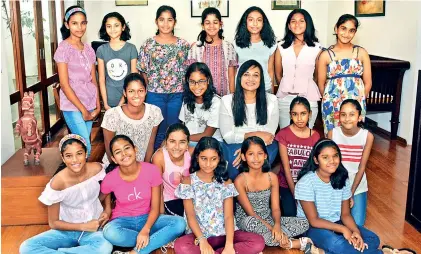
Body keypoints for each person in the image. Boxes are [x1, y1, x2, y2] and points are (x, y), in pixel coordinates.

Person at [19, 134, 113, 254]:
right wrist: (84, 226)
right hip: (67, 231)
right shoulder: (57, 183)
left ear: (86, 154)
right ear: (63, 158)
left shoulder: (97, 169)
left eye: (79, 153)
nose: (75, 160)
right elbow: (53, 223)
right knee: (27, 247)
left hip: (94, 229)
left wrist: (107, 210)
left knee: (105, 247)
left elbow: (108, 187)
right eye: (69, 156)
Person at [174, 137, 265, 254]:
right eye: (204, 158)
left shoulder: (226, 183)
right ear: (197, 157)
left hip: (224, 235)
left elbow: (228, 216)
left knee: (258, 242)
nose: (208, 164)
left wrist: (229, 245)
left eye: (213, 159)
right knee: (181, 246)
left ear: (219, 159)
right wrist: (202, 240)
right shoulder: (188, 181)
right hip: (198, 236)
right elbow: (190, 216)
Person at [295, 139, 386, 254]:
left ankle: (322, 252)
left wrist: (355, 231)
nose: (332, 161)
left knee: (373, 239)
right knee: (339, 245)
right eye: (325, 157)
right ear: (316, 160)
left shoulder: (343, 178)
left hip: (337, 222)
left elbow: (345, 214)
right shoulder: (306, 182)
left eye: (335, 156)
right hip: (313, 228)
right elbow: (314, 220)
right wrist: (344, 230)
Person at [101, 135, 186, 254]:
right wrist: (108, 209)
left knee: (180, 224)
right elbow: (104, 194)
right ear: (114, 159)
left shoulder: (152, 170)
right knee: (109, 232)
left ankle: (136, 252)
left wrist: (146, 229)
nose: (124, 154)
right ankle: (155, 240)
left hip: (149, 218)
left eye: (127, 148)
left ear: (135, 149)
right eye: (118, 152)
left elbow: (155, 208)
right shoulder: (110, 178)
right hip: (123, 222)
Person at [235, 137, 318, 253]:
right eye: (251, 154)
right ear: (243, 157)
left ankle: (283, 240)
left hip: (268, 219)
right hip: (248, 221)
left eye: (260, 153)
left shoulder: (271, 177)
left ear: (265, 156)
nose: (256, 158)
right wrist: (273, 229)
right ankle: (295, 243)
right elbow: (251, 213)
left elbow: (275, 208)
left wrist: (277, 226)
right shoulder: (240, 180)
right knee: (251, 222)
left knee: (304, 222)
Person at [137, 5, 190, 150]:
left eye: (169, 20)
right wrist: (149, 90)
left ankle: (173, 162)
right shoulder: (148, 44)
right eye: (162, 20)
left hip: (177, 94)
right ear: (156, 22)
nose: (165, 24)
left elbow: (188, 71)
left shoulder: (183, 45)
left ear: (175, 22)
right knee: (157, 131)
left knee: (174, 130)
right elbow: (143, 70)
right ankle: (156, 161)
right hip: (154, 94)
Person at [219, 60, 279, 180]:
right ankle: (236, 197)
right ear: (239, 77)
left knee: (257, 160)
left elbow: (268, 135)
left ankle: (259, 195)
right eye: (246, 74)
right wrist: (254, 135)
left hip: (263, 145)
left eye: (255, 75)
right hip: (234, 145)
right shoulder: (227, 101)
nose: (250, 79)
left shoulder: (271, 100)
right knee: (234, 162)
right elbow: (228, 136)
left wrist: (248, 151)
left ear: (261, 79)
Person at [55, 5, 100, 156]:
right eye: (74, 23)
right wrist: (83, 110)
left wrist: (97, 105)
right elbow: (64, 84)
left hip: (89, 101)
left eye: (83, 23)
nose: (79, 27)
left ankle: (81, 176)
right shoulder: (63, 49)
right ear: (67, 25)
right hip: (72, 104)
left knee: (85, 143)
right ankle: (79, 177)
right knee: (84, 145)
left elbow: (94, 79)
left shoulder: (88, 49)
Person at [318, 14, 372, 134]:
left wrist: (359, 100)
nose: (346, 34)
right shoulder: (326, 55)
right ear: (336, 28)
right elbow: (321, 84)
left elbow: (368, 83)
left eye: (351, 30)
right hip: (332, 103)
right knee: (333, 137)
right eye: (343, 28)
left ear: (355, 32)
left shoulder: (361, 53)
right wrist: (330, 100)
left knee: (354, 136)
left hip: (356, 102)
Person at [328, 99, 374, 226]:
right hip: (336, 183)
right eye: (343, 114)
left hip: (356, 185)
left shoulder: (367, 136)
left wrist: (350, 194)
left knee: (357, 225)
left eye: (352, 114)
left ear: (360, 117)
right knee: (333, 222)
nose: (347, 118)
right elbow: (327, 167)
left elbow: (362, 168)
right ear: (339, 117)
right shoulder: (333, 134)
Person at [102, 73, 162, 166]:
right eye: (131, 91)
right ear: (125, 93)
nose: (136, 95)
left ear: (146, 91)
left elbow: (150, 145)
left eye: (140, 90)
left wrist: (144, 169)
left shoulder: (154, 112)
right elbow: (110, 150)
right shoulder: (112, 115)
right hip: (116, 166)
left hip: (140, 165)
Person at [275, 9, 322, 129]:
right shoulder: (281, 46)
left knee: (307, 136)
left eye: (301, 21)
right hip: (285, 98)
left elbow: (317, 76)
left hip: (309, 97)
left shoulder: (317, 48)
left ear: (308, 24)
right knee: (285, 134)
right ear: (289, 26)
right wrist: (288, 86)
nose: (297, 24)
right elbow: (278, 74)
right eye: (293, 21)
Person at [276, 96, 320, 216]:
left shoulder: (315, 136)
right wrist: (296, 194)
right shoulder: (283, 134)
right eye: (295, 114)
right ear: (290, 115)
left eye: (303, 114)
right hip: (287, 184)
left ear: (310, 114)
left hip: (307, 185)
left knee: (314, 214)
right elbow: (286, 168)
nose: (299, 118)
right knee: (292, 215)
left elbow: (315, 167)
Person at [187, 7, 237, 96]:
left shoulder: (228, 47)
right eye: (207, 23)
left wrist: (232, 97)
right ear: (202, 25)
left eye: (215, 22)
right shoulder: (195, 48)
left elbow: (231, 76)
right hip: (202, 97)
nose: (211, 26)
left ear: (220, 24)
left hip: (224, 96)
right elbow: (191, 76)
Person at [97, 12, 138, 109]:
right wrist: (105, 103)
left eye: (116, 25)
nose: (112, 29)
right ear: (105, 28)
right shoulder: (101, 50)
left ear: (123, 27)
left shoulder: (131, 48)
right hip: (110, 97)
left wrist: (122, 101)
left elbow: (133, 77)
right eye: (109, 26)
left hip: (128, 97)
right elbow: (101, 79)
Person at [152, 123, 194, 216]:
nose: (177, 147)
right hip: (172, 200)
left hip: (191, 197)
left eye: (182, 142)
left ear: (187, 144)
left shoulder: (192, 153)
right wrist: (161, 213)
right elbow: (158, 186)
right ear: (166, 143)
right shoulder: (159, 157)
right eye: (172, 141)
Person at [234, 6, 277, 93]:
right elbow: (234, 70)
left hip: (265, 88)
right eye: (251, 20)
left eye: (259, 20)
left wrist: (272, 94)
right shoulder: (236, 43)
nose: (255, 23)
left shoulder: (271, 43)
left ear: (263, 23)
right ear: (245, 22)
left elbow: (270, 70)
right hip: (243, 88)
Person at [179, 62, 223, 145]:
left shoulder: (216, 102)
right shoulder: (186, 99)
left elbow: (207, 135)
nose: (196, 86)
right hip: (187, 142)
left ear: (208, 80)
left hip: (210, 144)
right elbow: (183, 127)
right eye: (192, 82)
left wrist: (181, 139)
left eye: (201, 81)